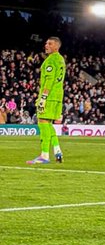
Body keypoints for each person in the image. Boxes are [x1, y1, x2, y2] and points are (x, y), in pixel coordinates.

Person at [26, 36, 65, 165]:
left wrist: (43, 98)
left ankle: (44, 155)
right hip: (58, 96)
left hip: (49, 97)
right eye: (46, 43)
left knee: (42, 122)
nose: (46, 46)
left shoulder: (50, 61)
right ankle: (57, 151)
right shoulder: (61, 60)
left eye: (49, 44)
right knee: (48, 124)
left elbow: (49, 80)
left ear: (56, 46)